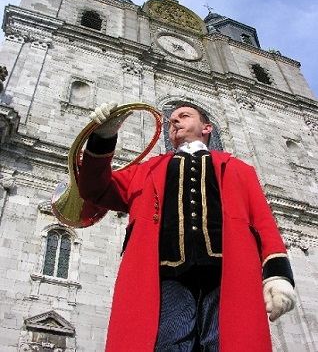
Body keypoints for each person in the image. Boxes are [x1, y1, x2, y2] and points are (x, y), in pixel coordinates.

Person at [78, 101, 296, 352]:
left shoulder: (239, 169)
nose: (174, 121)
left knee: (224, 343)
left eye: (184, 116)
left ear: (207, 127)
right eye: (172, 119)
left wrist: (278, 275)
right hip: (166, 276)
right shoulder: (146, 170)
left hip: (227, 274)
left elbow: (263, 221)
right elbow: (95, 188)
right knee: (169, 344)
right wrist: (103, 137)